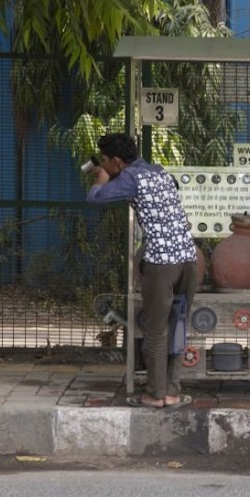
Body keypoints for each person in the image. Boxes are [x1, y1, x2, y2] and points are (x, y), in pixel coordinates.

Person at [86, 133, 198, 409]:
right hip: (190, 260)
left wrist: (100, 181)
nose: (103, 166)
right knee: (178, 324)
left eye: (104, 161)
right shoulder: (158, 171)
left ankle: (156, 394)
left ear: (116, 161)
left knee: (156, 331)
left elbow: (96, 199)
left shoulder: (129, 178)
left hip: (162, 264)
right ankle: (172, 391)